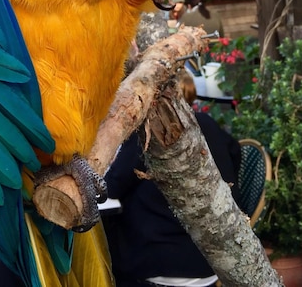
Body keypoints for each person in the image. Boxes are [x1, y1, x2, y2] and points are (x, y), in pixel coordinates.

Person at [103, 76, 241, 287]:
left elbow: (112, 187)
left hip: (157, 263)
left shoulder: (148, 132)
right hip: (212, 262)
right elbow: (235, 158)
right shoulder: (209, 125)